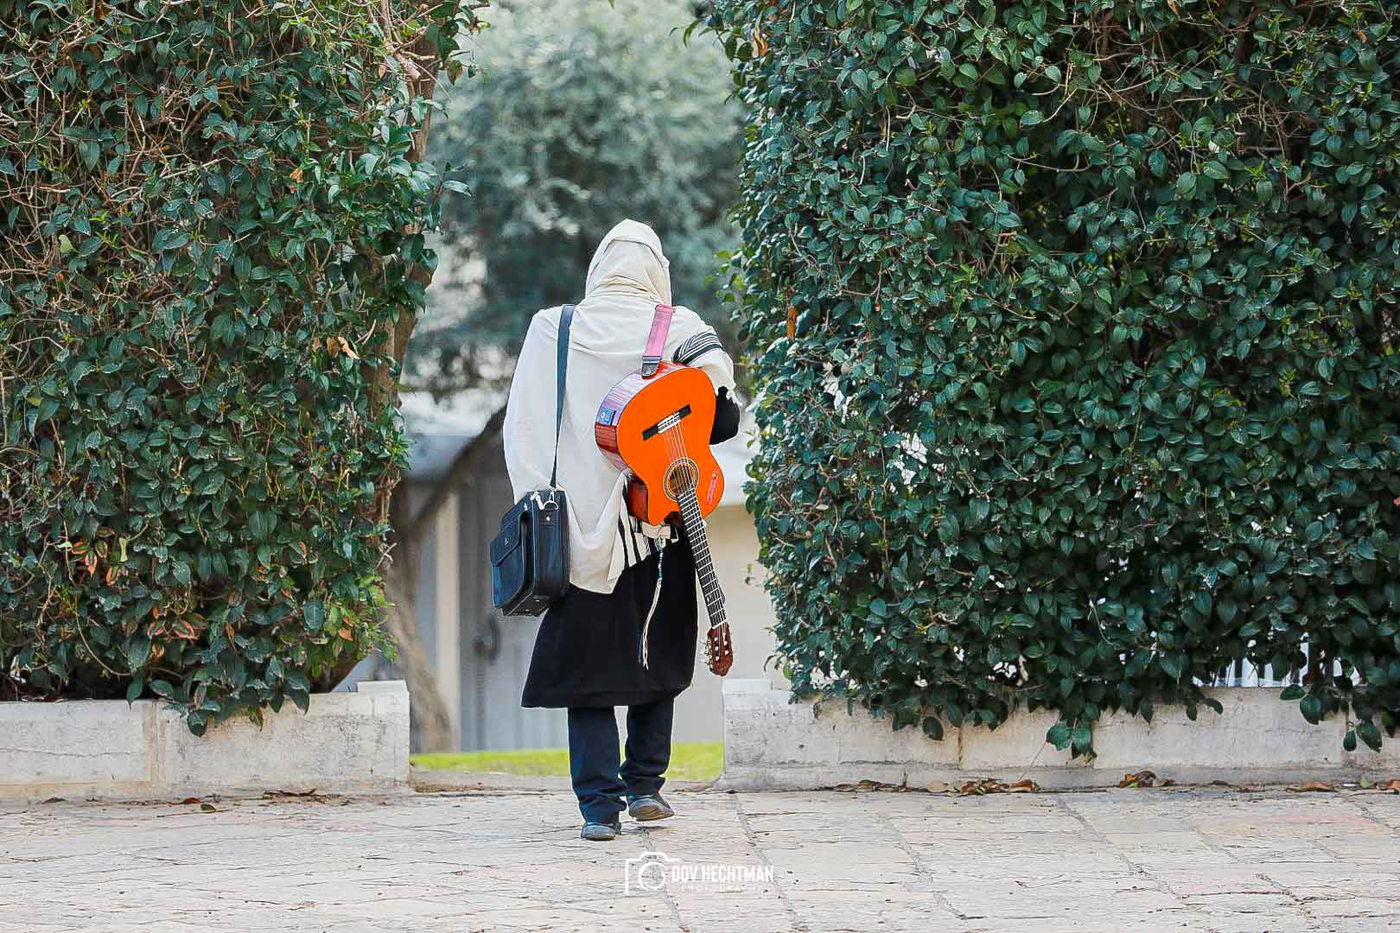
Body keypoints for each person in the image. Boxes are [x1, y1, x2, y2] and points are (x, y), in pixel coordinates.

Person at [502, 219, 740, 841]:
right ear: (656, 271)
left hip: (576, 530)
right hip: (660, 519)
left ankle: (597, 808)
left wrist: (537, 502)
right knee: (655, 653)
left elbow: (523, 426)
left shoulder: (552, 329)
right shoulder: (681, 328)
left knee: (588, 668)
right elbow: (722, 417)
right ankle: (646, 787)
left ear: (599, 268)